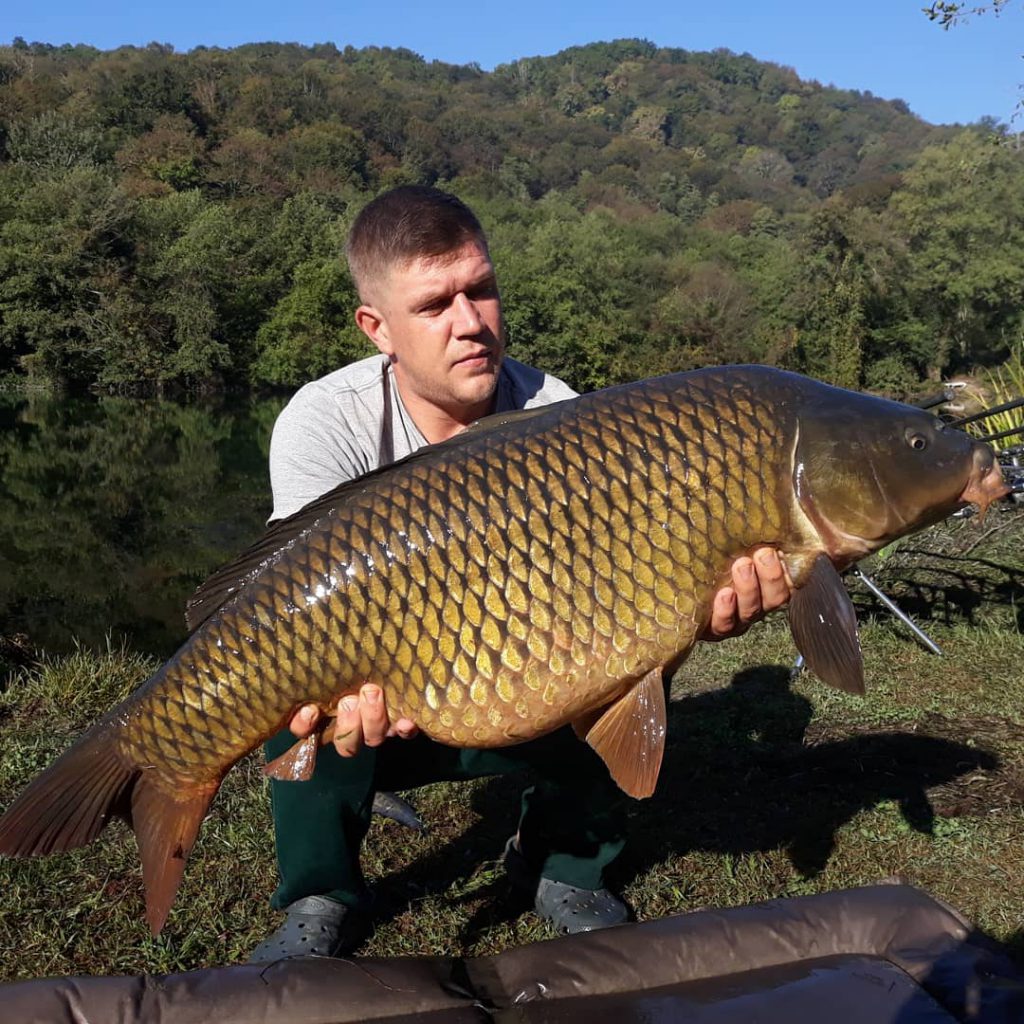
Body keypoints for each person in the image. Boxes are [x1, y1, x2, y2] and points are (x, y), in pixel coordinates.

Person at [248, 185, 792, 961]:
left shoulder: (560, 411)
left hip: (523, 680)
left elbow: (627, 584)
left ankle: (562, 865)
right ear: (379, 329)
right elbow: (287, 600)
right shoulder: (323, 421)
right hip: (380, 698)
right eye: (436, 305)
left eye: (483, 290)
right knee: (284, 684)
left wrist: (703, 606)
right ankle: (318, 892)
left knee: (638, 651)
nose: (471, 322)